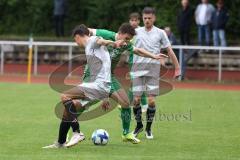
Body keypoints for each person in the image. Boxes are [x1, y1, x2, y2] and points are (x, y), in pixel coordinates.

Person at [43, 24, 124, 148]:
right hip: (98, 86)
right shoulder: (91, 49)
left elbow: (101, 41)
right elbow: (102, 70)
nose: (76, 43)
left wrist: (113, 43)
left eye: (75, 40)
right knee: (70, 108)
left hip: (98, 86)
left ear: (78, 36)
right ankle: (60, 142)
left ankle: (77, 132)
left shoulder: (92, 40)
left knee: (65, 95)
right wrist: (105, 96)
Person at [132, 7, 181, 139]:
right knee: (136, 100)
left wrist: (177, 67)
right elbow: (124, 43)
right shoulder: (135, 32)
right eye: (145, 18)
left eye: (149, 18)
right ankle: (138, 126)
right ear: (142, 18)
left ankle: (148, 128)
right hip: (137, 68)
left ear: (154, 18)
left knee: (151, 101)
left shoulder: (160, 33)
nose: (147, 20)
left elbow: (169, 51)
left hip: (153, 68)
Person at [128, 12, 148, 112]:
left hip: (140, 60)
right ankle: (139, 103)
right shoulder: (127, 31)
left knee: (135, 82)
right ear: (129, 21)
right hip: (131, 60)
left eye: (136, 20)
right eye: (132, 20)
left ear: (139, 21)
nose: (134, 22)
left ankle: (142, 103)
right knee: (134, 83)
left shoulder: (141, 31)